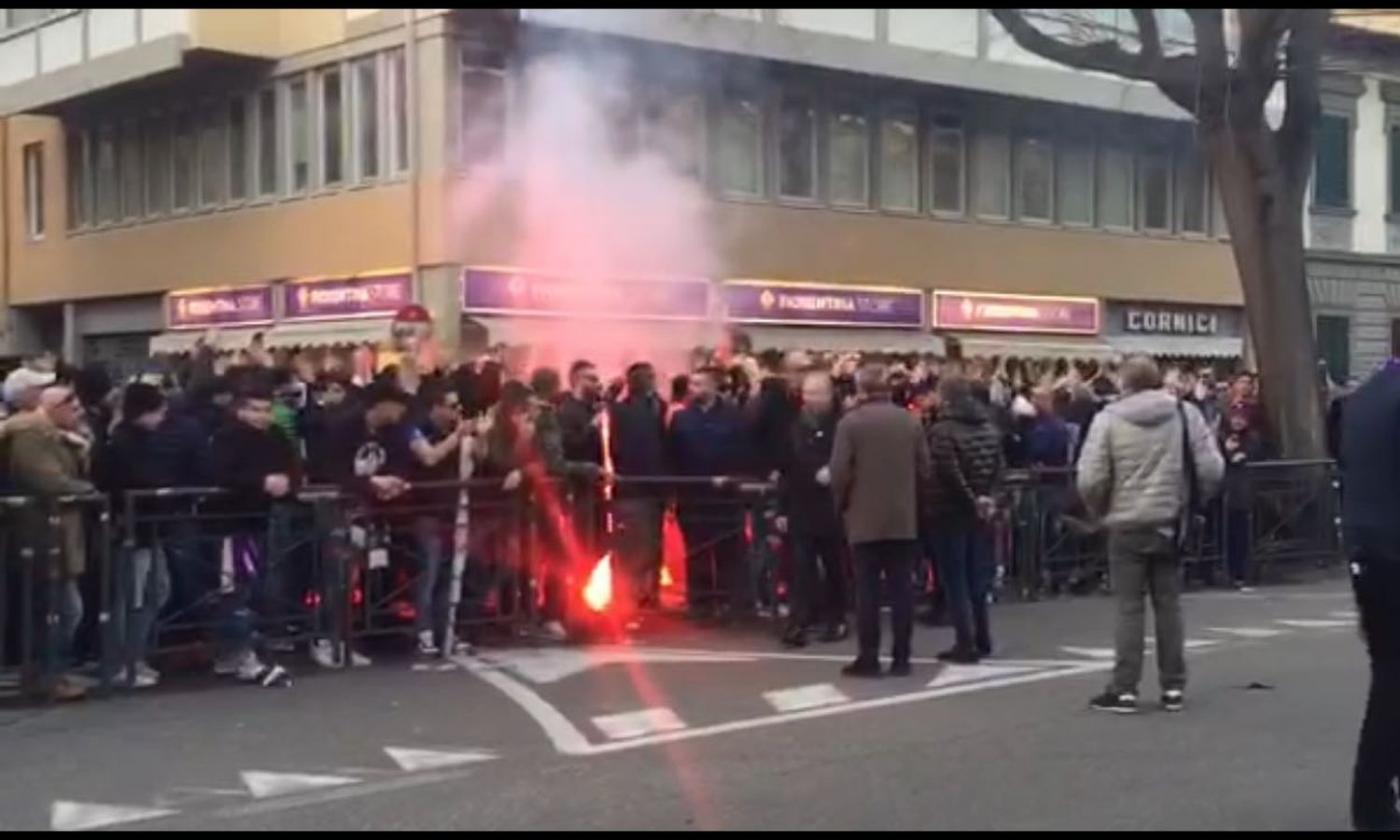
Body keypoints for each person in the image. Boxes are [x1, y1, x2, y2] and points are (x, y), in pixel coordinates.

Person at [1075, 355, 1223, 714]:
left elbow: (1090, 478)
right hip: (1170, 520)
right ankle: (1173, 686)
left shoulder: (1108, 419)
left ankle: (1124, 688)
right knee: (1168, 605)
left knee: (1129, 607)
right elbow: (1211, 467)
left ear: (1124, 383)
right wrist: (1193, 498)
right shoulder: (1184, 414)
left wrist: (1100, 509)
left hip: (1125, 522)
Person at [829, 364, 931, 678]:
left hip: (863, 517)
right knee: (902, 590)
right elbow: (925, 468)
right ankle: (902, 657)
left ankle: (869, 657)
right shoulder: (910, 422)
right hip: (902, 517)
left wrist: (842, 504)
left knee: (867, 591)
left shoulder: (850, 424)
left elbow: (839, 471)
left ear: (861, 389)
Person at [1338, 359, 1400, 831]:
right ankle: (1373, 804)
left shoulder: (1363, 397)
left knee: (1389, 676)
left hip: (1367, 550)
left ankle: (1374, 800)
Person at [6, 385, 96, 701]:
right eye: (73, 407)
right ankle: (47, 674)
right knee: (59, 608)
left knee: (58, 606)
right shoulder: (32, 436)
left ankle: (47, 673)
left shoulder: (58, 436)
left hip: (57, 531)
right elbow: (48, 481)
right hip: (41, 532)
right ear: (56, 407)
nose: (80, 412)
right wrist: (86, 489)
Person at [207, 384, 298, 688]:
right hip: (232, 522)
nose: (262, 416)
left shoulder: (275, 436)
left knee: (250, 586)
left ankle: (240, 651)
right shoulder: (227, 437)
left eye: (266, 410)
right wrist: (261, 482)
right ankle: (238, 653)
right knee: (235, 589)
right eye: (255, 410)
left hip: (260, 519)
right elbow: (220, 476)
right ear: (240, 410)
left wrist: (287, 482)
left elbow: (293, 465)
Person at [97, 383, 176, 688]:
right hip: (133, 527)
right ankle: (123, 660)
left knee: (152, 590)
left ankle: (133, 656)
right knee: (133, 595)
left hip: (145, 527)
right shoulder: (125, 443)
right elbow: (132, 481)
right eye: (159, 411)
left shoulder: (133, 440)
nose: (163, 418)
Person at [925, 376, 1004, 663]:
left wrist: (971, 500)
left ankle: (965, 641)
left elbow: (947, 472)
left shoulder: (942, 431)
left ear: (945, 397)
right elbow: (999, 467)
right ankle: (983, 637)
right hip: (981, 512)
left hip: (949, 512)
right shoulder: (988, 427)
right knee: (976, 578)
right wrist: (987, 499)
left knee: (954, 578)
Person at [668, 366, 749, 619]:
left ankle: (728, 601)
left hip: (725, 496)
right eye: (692, 384)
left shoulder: (734, 415)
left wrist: (735, 480)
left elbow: (742, 452)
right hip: (692, 495)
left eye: (700, 384)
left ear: (714, 386)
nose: (694, 389)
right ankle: (700, 603)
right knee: (697, 550)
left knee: (728, 550)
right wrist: (673, 492)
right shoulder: (681, 419)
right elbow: (672, 456)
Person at [777, 370, 848, 647]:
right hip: (801, 505)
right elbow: (787, 468)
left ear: (829, 394)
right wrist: (781, 509)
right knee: (801, 568)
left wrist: (834, 471)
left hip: (832, 506)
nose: (810, 399)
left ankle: (837, 618)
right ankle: (799, 622)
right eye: (807, 393)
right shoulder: (794, 424)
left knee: (834, 567)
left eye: (816, 393)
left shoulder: (842, 424)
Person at [608, 362, 669, 615]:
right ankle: (641, 594)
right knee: (643, 545)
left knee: (638, 545)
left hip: (635, 489)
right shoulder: (643, 411)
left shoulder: (626, 410)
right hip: (643, 488)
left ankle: (635, 595)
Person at [1220, 406, 1265, 591]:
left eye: (1241, 418)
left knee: (1243, 535)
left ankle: (1242, 573)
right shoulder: (1222, 436)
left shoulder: (1252, 439)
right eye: (1234, 418)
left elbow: (1247, 456)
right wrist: (1226, 450)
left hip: (1243, 494)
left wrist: (1236, 453)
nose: (1237, 422)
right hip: (1227, 493)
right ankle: (1230, 572)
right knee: (1229, 534)